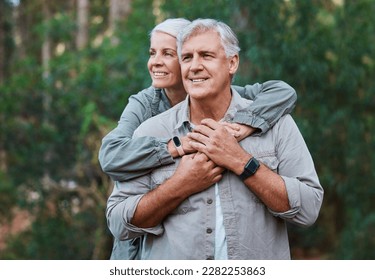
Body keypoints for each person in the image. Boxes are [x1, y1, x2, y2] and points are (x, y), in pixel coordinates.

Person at [105, 18, 323, 260]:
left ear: (232, 63)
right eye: (187, 57)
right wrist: (180, 185)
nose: (195, 66)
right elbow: (118, 223)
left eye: (206, 55)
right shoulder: (150, 129)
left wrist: (242, 162)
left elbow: (309, 209)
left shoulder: (277, 124)